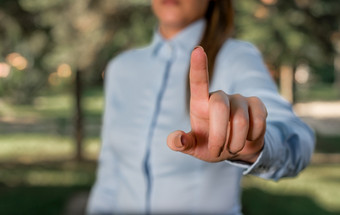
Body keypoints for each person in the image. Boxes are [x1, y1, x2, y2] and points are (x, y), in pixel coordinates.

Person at [87, 0, 315, 214]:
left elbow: (297, 141)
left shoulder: (236, 57)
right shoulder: (121, 68)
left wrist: (257, 143)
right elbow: (111, 172)